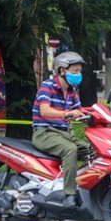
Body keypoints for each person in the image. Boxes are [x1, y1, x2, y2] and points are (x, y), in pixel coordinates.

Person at [32, 51, 91, 208]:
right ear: (62, 70)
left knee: (93, 151)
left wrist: (95, 115)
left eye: (80, 71)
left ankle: (86, 187)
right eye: (75, 71)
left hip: (65, 134)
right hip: (45, 133)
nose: (79, 74)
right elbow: (44, 111)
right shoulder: (47, 87)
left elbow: (81, 111)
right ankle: (69, 195)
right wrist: (67, 113)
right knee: (70, 150)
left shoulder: (71, 92)